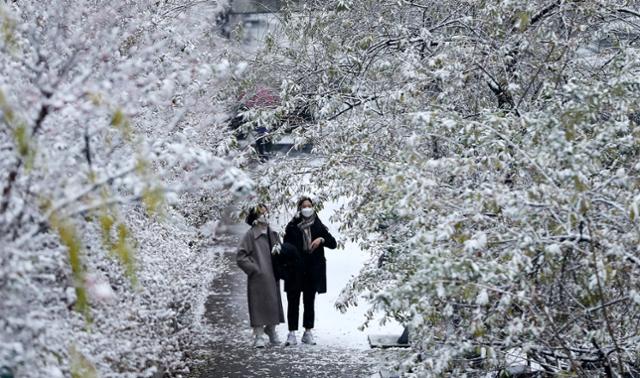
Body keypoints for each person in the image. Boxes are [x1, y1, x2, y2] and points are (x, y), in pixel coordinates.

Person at [282, 196, 337, 346]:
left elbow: (333, 243)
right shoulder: (292, 226)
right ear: (299, 208)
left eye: (309, 205)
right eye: (304, 206)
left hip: (312, 270)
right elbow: (286, 246)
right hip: (295, 270)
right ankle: (292, 332)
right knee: (293, 302)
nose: (307, 208)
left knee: (309, 301)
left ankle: (308, 332)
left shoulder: (318, 225)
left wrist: (321, 240)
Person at [236, 204, 284, 347]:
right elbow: (240, 256)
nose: (265, 215)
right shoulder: (251, 235)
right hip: (258, 277)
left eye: (266, 213)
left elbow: (280, 252)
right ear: (255, 217)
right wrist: (254, 269)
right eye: (261, 213)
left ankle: (271, 329)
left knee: (273, 303)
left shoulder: (273, 233)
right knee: (258, 304)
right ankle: (258, 335)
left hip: (272, 274)